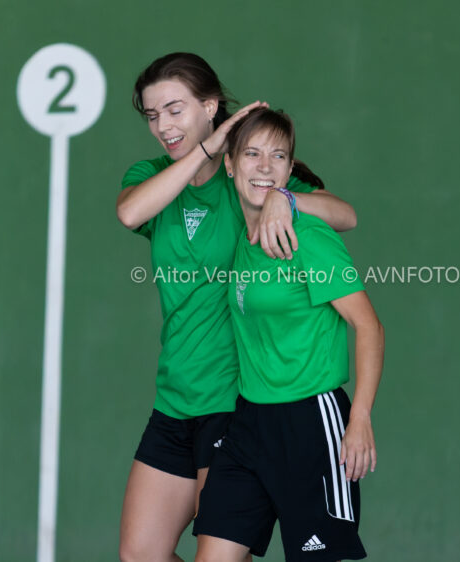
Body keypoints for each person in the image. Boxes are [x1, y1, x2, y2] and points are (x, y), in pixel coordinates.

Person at [116, 53, 358, 562]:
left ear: (210, 106)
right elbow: (130, 211)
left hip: (231, 402)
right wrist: (203, 148)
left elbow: (344, 215)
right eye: (153, 115)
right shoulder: (152, 177)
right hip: (174, 397)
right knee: (141, 555)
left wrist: (285, 200)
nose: (163, 125)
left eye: (175, 109)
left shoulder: (246, 176)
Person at [193, 108, 384, 562]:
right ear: (230, 164)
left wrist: (359, 418)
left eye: (277, 156)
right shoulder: (245, 237)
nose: (264, 166)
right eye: (253, 154)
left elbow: (369, 325)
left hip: (312, 423)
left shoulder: (309, 237)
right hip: (249, 425)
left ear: (288, 168)